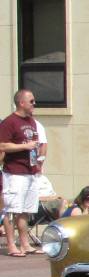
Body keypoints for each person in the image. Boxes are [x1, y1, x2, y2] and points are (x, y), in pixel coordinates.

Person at [0, 89, 42, 257]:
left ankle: (25, 244)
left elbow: (34, 143)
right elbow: (2, 146)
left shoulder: (31, 121)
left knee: (25, 210)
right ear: (21, 103)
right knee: (12, 209)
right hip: (14, 172)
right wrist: (24, 146)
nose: (34, 104)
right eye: (31, 101)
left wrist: (37, 159)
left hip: (30, 170)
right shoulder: (9, 122)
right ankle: (11, 245)